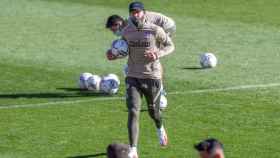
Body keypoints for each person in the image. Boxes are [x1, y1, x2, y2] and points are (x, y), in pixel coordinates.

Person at [106, 2, 175, 158]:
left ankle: (160, 128)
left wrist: (157, 54)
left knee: (154, 112)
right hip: (132, 76)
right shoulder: (127, 31)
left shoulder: (155, 30)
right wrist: (113, 54)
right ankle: (133, 149)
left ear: (144, 13)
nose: (135, 15)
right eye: (132, 12)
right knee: (133, 111)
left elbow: (170, 46)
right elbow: (123, 49)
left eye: (138, 12)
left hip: (151, 76)